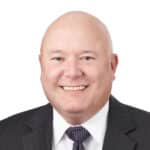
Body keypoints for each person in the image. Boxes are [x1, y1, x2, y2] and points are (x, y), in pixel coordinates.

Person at [0, 11, 150, 150]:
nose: (73, 72)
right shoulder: (4, 137)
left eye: (87, 58)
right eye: (58, 58)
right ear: (42, 66)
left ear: (112, 65)